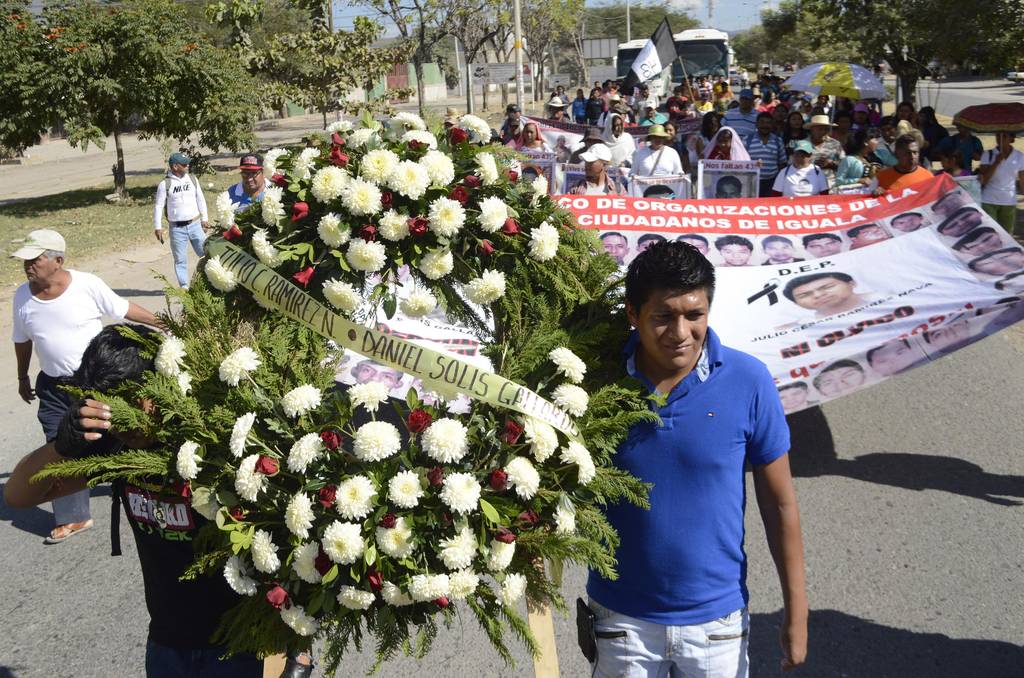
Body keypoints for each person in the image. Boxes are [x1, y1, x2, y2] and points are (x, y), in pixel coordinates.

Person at [586, 241, 807, 678]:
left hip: (717, 626)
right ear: (633, 314)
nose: (680, 332)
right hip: (621, 622)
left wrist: (797, 611)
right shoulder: (592, 382)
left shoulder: (749, 381)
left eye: (694, 315)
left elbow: (780, 505)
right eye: (663, 316)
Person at [4, 325, 274, 677]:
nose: (127, 422)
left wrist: (290, 650)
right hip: (166, 642)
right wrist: (60, 447)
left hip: (241, 642)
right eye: (112, 409)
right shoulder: (116, 449)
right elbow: (19, 495)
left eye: (135, 401)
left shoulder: (215, 442)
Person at [11, 230, 160, 543]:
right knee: (60, 443)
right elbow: (22, 340)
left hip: (94, 384)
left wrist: (160, 323)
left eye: (35, 259)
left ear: (58, 260)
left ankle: (139, 482)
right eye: (25, 260)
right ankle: (74, 516)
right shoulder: (22, 297)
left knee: (117, 439)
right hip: (53, 388)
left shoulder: (86, 285)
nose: (28, 265)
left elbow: (122, 308)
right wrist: (22, 376)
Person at [153, 152, 209, 289]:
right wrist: (158, 227)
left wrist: (204, 218)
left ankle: (209, 282)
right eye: (184, 164)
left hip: (195, 224)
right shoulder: (165, 184)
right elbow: (159, 206)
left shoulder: (192, 179)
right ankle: (184, 287)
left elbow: (200, 199)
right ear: (175, 166)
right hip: (177, 229)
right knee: (180, 260)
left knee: (206, 254)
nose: (187, 166)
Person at [977, 130, 1024, 235]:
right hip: (989, 200)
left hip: (1009, 201)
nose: (1000, 139)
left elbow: (1022, 180)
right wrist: (996, 162)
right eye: (998, 135)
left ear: (1012, 139)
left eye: (1004, 136)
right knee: (989, 234)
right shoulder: (988, 154)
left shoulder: (1020, 156)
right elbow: (983, 180)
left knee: (1007, 236)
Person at [869, 134, 934, 194]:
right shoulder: (881, 177)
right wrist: (875, 195)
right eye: (907, 153)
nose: (912, 156)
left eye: (915, 152)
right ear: (896, 154)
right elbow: (868, 198)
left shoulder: (928, 177)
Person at [783, 272, 868, 317]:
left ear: (852, 284)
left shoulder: (876, 298)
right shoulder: (793, 329)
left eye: (828, 287)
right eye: (805, 295)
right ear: (796, 303)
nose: (818, 295)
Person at [746, 112, 788, 197]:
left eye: (768, 123)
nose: (765, 125)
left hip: (772, 182)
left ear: (772, 125)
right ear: (756, 124)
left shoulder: (778, 141)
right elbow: (742, 161)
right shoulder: (747, 140)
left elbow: (782, 163)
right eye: (762, 122)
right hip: (751, 181)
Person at [804, 115, 844, 185]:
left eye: (826, 129)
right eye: (820, 129)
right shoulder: (803, 144)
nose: (823, 132)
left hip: (829, 182)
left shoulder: (835, 144)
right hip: (807, 181)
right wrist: (811, 164)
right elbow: (794, 164)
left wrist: (830, 164)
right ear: (812, 130)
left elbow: (844, 164)